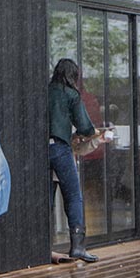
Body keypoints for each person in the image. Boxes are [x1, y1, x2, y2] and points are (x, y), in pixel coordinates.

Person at [48, 58, 108, 262]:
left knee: (46, 198)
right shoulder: (71, 94)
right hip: (60, 148)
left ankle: (42, 246)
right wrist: (93, 132)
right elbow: (84, 126)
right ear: (73, 76)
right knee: (73, 196)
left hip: (41, 150)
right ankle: (78, 247)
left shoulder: (45, 91)